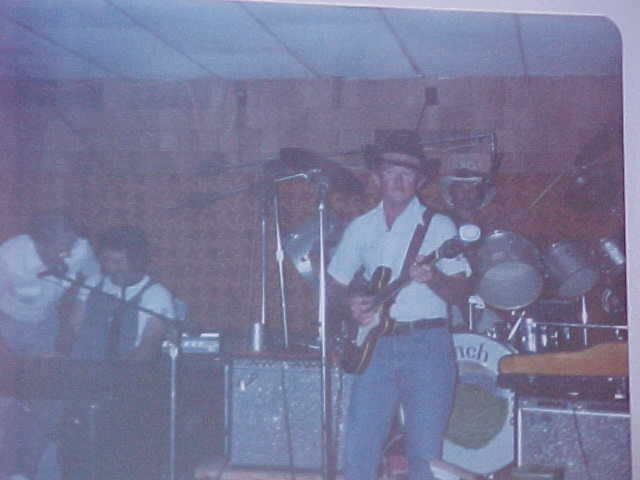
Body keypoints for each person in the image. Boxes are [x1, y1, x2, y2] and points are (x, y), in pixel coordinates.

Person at [328, 130, 472, 480]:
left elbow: (462, 292)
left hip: (428, 347)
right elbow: (334, 286)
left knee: (425, 454)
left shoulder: (439, 227)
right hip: (374, 349)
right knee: (359, 448)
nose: (398, 180)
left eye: (407, 173)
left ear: (419, 181)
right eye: (391, 172)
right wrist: (352, 303)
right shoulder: (360, 228)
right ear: (376, 178)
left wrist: (433, 278)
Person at [61, 225, 175, 480]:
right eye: (106, 260)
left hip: (124, 386)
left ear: (137, 260)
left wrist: (113, 379)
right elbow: (73, 327)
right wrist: (63, 362)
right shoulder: (93, 284)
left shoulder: (156, 295)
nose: (112, 268)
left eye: (119, 262)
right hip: (82, 377)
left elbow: (148, 346)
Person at [0, 210, 99, 480]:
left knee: (48, 402)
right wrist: (8, 358)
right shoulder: (10, 256)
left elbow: (87, 291)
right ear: (39, 243)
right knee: (6, 403)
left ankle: (37, 472)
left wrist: (63, 346)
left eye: (70, 247)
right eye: (61, 249)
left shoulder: (81, 251)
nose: (68, 255)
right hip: (6, 325)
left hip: (45, 325)